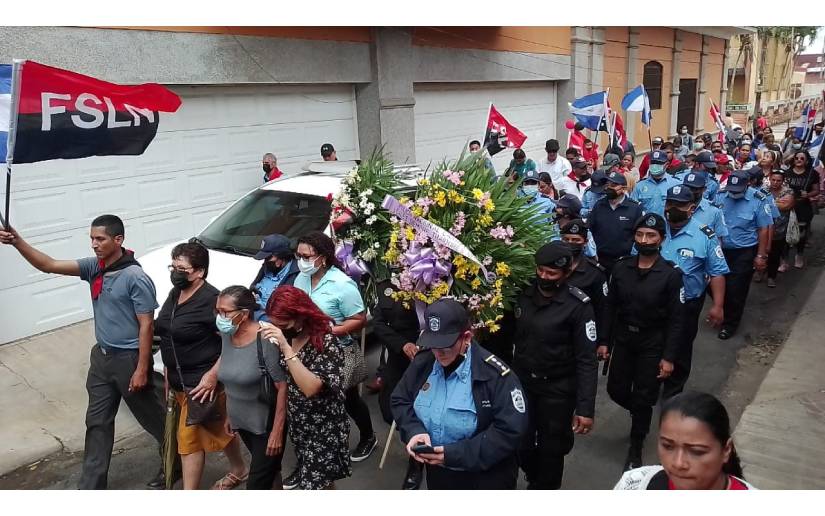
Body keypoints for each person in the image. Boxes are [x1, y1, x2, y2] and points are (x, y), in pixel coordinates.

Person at [0, 215, 166, 489]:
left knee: (155, 420)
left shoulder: (135, 277)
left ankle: (176, 461)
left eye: (100, 239)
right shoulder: (94, 267)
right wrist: (18, 242)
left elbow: (146, 325)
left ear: (118, 240)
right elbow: (48, 265)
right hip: (101, 358)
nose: (94, 244)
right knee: (97, 422)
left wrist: (141, 369)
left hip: (129, 360)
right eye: (91, 238)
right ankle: (91, 487)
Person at [391, 298, 529, 490]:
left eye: (446, 345)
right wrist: (414, 431)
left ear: (467, 337)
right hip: (439, 473)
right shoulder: (424, 363)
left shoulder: (496, 376)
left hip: (484, 479)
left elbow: (510, 431)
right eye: (433, 343)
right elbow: (400, 399)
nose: (438, 353)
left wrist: (453, 454)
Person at [500, 241, 598, 489]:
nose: (544, 277)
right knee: (519, 442)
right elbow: (504, 336)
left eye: (551, 273)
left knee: (551, 450)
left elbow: (587, 360)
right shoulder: (523, 294)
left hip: (557, 390)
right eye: (540, 271)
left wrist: (585, 408)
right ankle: (535, 476)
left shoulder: (579, 307)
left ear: (565, 274)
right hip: (523, 384)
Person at [155, 243, 248, 490]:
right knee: (218, 427)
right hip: (178, 381)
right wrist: (167, 370)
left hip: (202, 385)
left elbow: (233, 341)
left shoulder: (211, 301)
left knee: (188, 441)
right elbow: (168, 334)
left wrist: (212, 376)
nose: (175, 272)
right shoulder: (176, 294)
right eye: (173, 267)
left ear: (200, 272)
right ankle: (239, 469)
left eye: (182, 269)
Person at [600, 213, 685, 471]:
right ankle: (642, 413)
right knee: (616, 389)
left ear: (661, 239)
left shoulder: (671, 274)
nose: (644, 240)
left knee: (643, 394)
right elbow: (609, 306)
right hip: (625, 338)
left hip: (652, 341)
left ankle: (636, 447)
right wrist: (604, 341)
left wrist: (669, 358)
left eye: (650, 235)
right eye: (639, 235)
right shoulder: (622, 267)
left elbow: (676, 320)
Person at [292, 231, 377, 468]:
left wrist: (332, 331)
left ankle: (368, 436)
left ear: (323, 257)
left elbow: (358, 319)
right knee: (313, 401)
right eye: (298, 255)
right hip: (307, 349)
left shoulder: (342, 284)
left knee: (348, 399)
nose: (301, 261)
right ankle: (316, 452)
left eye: (306, 256)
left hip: (338, 351)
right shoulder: (301, 279)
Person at [260, 285, 352, 490]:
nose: (281, 329)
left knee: (315, 485)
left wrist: (285, 347)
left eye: (284, 324)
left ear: (301, 316)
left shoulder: (325, 341)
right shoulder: (290, 336)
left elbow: (311, 388)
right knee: (321, 483)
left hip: (324, 427)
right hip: (301, 424)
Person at [659, 185, 728, 398]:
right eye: (670, 203)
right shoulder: (654, 230)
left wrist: (717, 305)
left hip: (687, 304)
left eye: (679, 205)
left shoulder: (705, 235)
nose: (673, 208)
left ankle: (673, 393)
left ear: (692, 208)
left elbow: (716, 272)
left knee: (680, 348)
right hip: (654, 302)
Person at [215, 286, 287, 489]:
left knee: (256, 485)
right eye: (218, 311)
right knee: (270, 475)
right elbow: (231, 376)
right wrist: (230, 414)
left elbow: (282, 386)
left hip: (266, 426)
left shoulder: (265, 339)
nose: (220, 317)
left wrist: (277, 431)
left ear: (244, 314)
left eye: (225, 312)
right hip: (242, 422)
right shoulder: (227, 335)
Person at [614, 391, 755, 490]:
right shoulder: (635, 484)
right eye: (667, 446)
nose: (678, 463)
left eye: (696, 452)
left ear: (726, 450)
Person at [370, 279, 423, 489]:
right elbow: (379, 323)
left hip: (429, 355)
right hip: (398, 354)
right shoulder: (386, 285)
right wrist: (402, 345)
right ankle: (410, 436)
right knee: (388, 409)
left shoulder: (439, 280)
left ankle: (417, 461)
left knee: (420, 410)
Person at [715, 171, 773, 339]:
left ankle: (730, 324)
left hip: (744, 252)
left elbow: (763, 229)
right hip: (721, 250)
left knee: (736, 290)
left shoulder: (758, 199)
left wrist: (761, 255)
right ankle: (723, 310)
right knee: (715, 285)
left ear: (748, 184)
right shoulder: (721, 196)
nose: (733, 193)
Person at [560, 219, 608, 339]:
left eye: (576, 240)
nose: (570, 243)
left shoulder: (595, 272)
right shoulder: (555, 266)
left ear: (585, 242)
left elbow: (602, 309)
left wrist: (603, 341)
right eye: (566, 239)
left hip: (582, 331)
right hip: (557, 328)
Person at [589, 172, 644, 273]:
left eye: (614, 185)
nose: (609, 188)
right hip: (601, 260)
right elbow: (590, 230)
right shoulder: (599, 206)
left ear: (623, 188)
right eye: (607, 184)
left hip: (625, 262)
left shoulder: (634, 208)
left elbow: (639, 234)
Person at [250, 234, 300, 321]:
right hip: (254, 317)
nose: (265, 261)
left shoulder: (296, 275)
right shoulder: (266, 268)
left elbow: (285, 310)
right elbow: (254, 286)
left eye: (268, 258)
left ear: (282, 257)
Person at [784, 151, 820, 269]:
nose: (799, 160)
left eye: (802, 158)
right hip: (787, 206)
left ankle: (799, 254)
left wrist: (808, 194)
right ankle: (784, 259)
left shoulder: (812, 173)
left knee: (801, 233)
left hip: (803, 207)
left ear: (807, 161)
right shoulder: (787, 173)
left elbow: (816, 190)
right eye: (796, 158)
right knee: (784, 232)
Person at [765, 170, 795, 288]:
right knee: (761, 252)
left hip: (780, 230)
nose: (775, 182)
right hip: (764, 229)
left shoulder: (788, 191)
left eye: (778, 180)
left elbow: (786, 205)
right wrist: (777, 203)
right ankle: (760, 271)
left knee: (775, 254)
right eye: (773, 180)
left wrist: (769, 203)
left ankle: (771, 277)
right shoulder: (764, 190)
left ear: (783, 181)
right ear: (770, 179)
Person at [682, 172, 729, 241]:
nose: (690, 191)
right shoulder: (676, 206)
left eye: (694, 189)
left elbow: (718, 240)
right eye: (687, 188)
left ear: (703, 189)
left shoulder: (714, 211)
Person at [631, 150, 681, 216]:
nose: (655, 165)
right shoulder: (639, 186)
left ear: (666, 164)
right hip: (646, 225)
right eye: (653, 162)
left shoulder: (676, 184)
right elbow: (632, 209)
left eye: (658, 163)